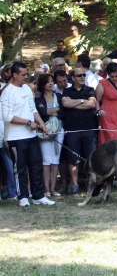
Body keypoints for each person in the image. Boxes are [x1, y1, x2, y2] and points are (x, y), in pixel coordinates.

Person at [2, 62, 54, 206]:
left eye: (27, 74)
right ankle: (23, 196)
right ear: (14, 74)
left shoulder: (26, 88)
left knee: (36, 164)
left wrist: (41, 123)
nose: (26, 77)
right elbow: (7, 116)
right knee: (20, 168)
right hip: (15, 137)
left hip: (31, 136)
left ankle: (38, 195)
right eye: (23, 74)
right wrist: (27, 122)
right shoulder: (8, 92)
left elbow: (33, 109)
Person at [61, 66, 98, 194]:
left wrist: (75, 103)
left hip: (89, 129)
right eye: (79, 75)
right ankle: (75, 185)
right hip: (72, 130)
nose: (82, 77)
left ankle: (91, 184)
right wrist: (83, 102)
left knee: (91, 159)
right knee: (73, 159)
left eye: (84, 75)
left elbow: (92, 104)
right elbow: (65, 104)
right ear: (73, 78)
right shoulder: (66, 91)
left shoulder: (90, 90)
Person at [34, 74, 65, 197]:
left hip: (59, 130)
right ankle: (46, 189)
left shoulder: (58, 95)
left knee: (55, 160)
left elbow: (62, 112)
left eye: (52, 81)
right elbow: (42, 113)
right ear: (42, 84)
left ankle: (53, 188)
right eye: (48, 82)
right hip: (45, 130)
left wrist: (52, 111)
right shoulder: (38, 98)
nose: (51, 84)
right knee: (46, 160)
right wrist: (55, 110)